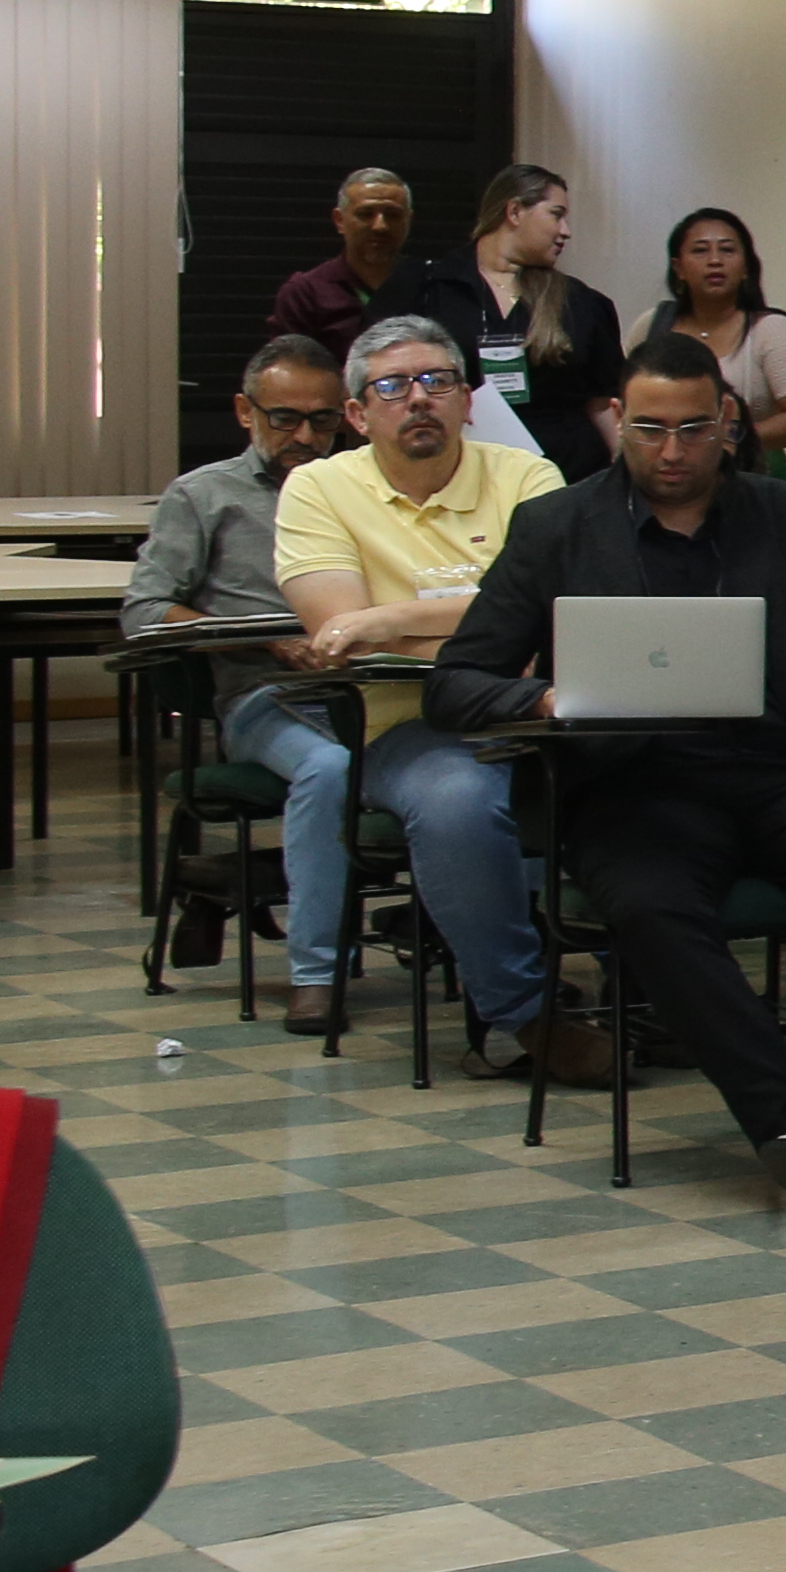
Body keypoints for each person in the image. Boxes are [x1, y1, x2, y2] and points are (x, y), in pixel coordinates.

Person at [430, 335, 786, 1227]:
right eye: (646, 429)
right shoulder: (558, 528)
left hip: (778, 778)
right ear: (617, 427)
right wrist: (547, 697)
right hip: (630, 791)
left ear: (727, 425)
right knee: (652, 911)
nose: (670, 452)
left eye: (690, 430)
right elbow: (453, 684)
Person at [270, 316, 596, 1082]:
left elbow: (556, 607)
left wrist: (389, 617)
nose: (417, 399)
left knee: (665, 770)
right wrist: (490, 622)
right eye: (392, 386)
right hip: (405, 726)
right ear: (357, 413)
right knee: (454, 799)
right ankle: (523, 1014)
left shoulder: (527, 477)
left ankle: (661, 989)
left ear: (468, 399)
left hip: (541, 713)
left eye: (437, 381)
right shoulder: (318, 487)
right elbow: (334, 633)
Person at [121, 338, 354, 987]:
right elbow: (142, 612)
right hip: (263, 698)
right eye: (285, 419)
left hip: (366, 688)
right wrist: (262, 639)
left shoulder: (363, 488)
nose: (305, 436)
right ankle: (318, 975)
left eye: (323, 421)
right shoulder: (203, 496)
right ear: (244, 412)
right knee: (331, 767)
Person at [383, 165, 625, 481]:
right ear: (514, 211)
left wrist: (624, 472)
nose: (565, 230)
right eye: (556, 214)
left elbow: (603, 403)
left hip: (566, 473)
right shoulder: (427, 287)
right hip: (457, 469)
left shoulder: (581, 302)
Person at [647, 208, 786, 463]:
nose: (715, 261)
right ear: (678, 267)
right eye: (700, 250)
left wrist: (723, 441)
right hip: (665, 468)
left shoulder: (772, 330)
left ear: (746, 268)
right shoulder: (653, 326)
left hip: (750, 471)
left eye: (727, 250)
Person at [263, 167, 419, 355]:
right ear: (339, 220)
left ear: (409, 221)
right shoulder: (306, 293)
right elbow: (291, 371)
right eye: (365, 214)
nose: (380, 226)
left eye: (393, 215)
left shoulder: (433, 287)